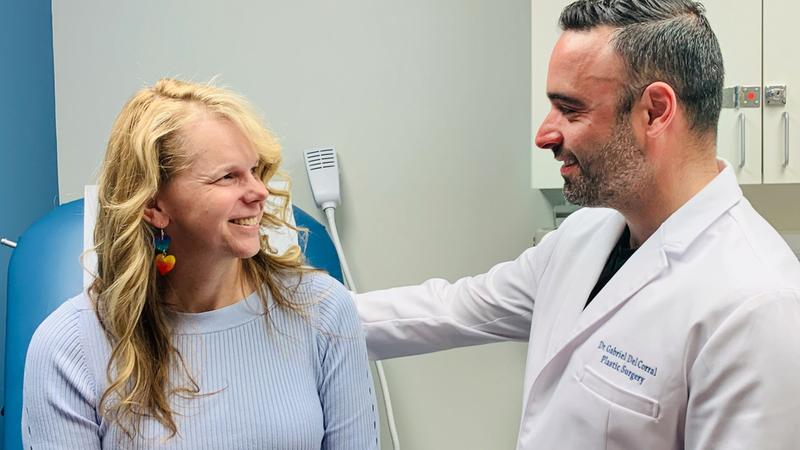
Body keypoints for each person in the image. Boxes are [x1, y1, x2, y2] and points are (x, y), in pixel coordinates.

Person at [355, 1, 800, 449]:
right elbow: (452, 310)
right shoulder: (583, 235)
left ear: (655, 111)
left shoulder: (757, 305)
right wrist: (294, 311)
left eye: (570, 110)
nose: (544, 135)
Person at [23, 79, 379, 449]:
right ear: (154, 207)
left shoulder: (323, 311)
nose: (260, 192)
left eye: (255, 170)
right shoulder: (68, 348)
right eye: (228, 176)